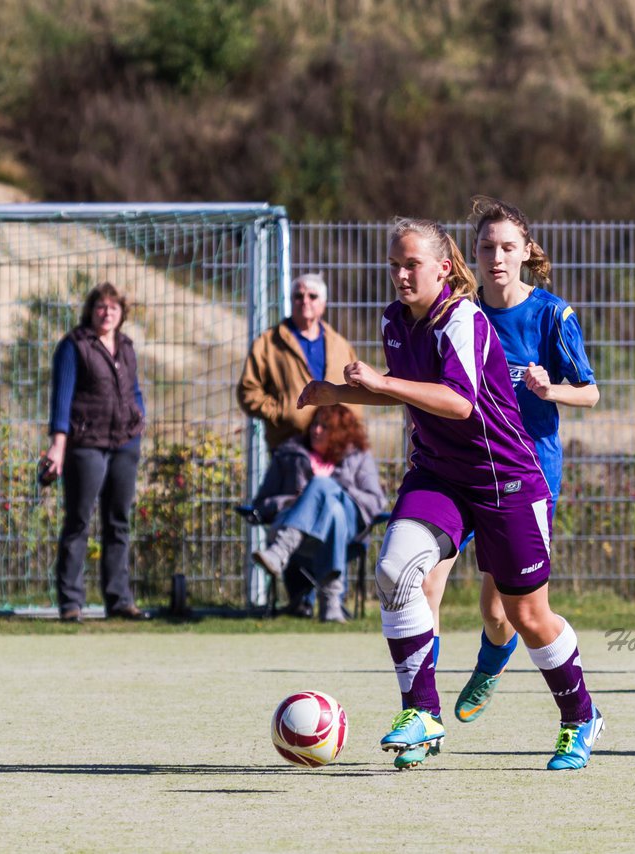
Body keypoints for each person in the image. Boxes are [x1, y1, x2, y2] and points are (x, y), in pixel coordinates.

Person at [298, 217, 603, 771]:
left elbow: (459, 402)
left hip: (504, 478)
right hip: (438, 475)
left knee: (526, 616)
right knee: (396, 572)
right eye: (393, 264)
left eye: (410, 263)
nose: (399, 274)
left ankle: (580, 716)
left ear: (442, 267)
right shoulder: (397, 320)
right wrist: (336, 393)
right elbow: (406, 392)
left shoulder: (462, 318)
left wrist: (381, 382)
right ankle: (422, 714)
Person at [420, 196, 599, 725]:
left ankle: (489, 663)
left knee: (501, 613)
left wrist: (550, 390)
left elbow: (589, 393)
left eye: (506, 247)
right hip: (461, 471)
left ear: (525, 253)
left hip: (526, 475)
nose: (496, 257)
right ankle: (419, 709)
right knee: (425, 579)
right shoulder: (459, 313)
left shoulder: (551, 314)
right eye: (486, 247)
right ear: (472, 255)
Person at [43, 282, 147, 623]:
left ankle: (119, 600)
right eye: (101, 307)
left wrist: (138, 418)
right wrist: (59, 446)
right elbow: (62, 396)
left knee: (118, 522)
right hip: (86, 445)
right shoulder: (74, 346)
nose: (107, 313)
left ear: (122, 313)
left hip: (124, 444)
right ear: (91, 310)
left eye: (113, 308)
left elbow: (133, 391)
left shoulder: (126, 347)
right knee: (79, 521)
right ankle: (71, 602)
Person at [250, 405, 387, 622]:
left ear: (341, 432)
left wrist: (339, 489)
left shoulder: (358, 457)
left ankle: (279, 553)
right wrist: (297, 501)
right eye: (315, 424)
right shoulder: (289, 454)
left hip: (350, 536)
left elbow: (376, 502)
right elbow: (262, 503)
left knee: (327, 493)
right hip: (303, 538)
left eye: (325, 427)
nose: (316, 430)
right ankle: (331, 604)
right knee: (332, 510)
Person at [238, 273, 359, 451]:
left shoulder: (341, 345)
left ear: (323, 304)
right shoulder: (268, 343)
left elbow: (356, 391)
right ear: (291, 301)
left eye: (312, 296)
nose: (305, 301)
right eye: (298, 296)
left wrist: (348, 424)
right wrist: (281, 412)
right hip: (289, 446)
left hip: (336, 448)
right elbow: (248, 391)